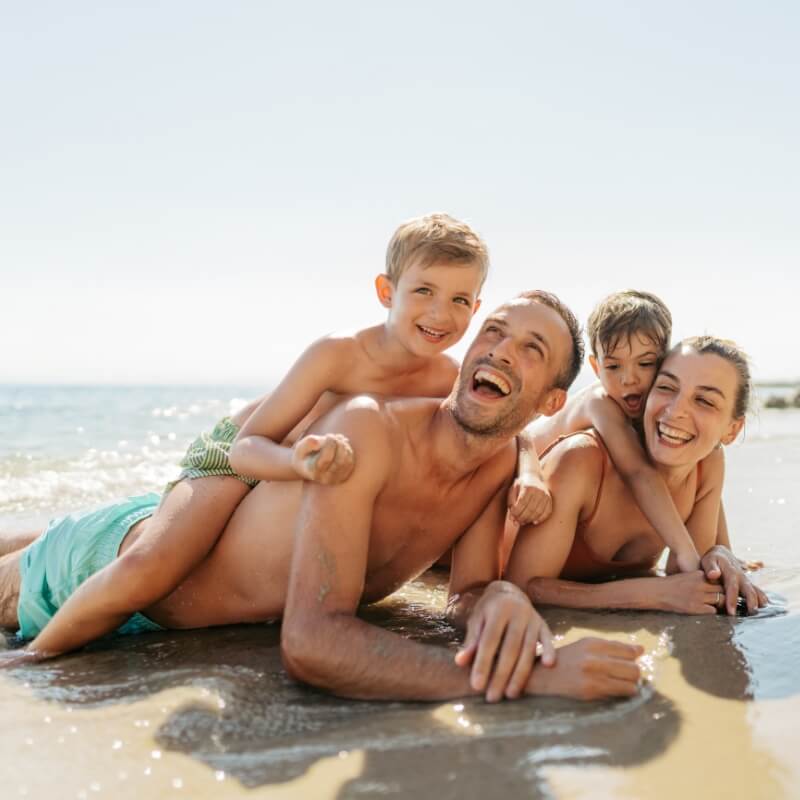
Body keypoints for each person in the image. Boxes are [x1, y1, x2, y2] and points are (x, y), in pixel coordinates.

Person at [0, 292, 645, 703]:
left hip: (181, 561)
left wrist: (501, 600)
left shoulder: (500, 464)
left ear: (551, 402)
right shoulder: (370, 428)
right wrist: (531, 679)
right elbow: (310, 643)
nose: (500, 351)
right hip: (101, 568)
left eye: (530, 349)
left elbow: (466, 594)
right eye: (493, 332)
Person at [504, 336, 768, 616]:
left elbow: (687, 580)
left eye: (704, 400)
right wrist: (650, 595)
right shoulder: (581, 460)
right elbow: (521, 588)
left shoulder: (707, 465)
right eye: (666, 387)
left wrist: (717, 556)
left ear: (732, 430)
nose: (676, 410)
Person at [522, 290, 702, 573]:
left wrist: (719, 548)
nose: (628, 378)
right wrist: (685, 551)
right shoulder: (601, 402)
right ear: (596, 367)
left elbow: (703, 473)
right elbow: (638, 472)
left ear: (665, 360)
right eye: (613, 366)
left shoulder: (656, 410)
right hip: (517, 460)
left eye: (644, 363)